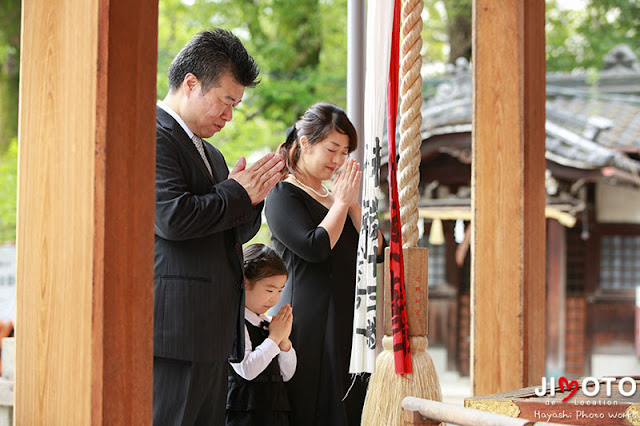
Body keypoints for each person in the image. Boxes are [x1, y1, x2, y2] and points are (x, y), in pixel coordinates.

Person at [154, 29, 285, 425]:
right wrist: (235, 193)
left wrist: (253, 198)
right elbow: (172, 218)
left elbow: (232, 235)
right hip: (175, 332)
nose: (229, 115)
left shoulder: (210, 151)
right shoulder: (154, 134)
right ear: (191, 83)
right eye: (226, 100)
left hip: (214, 334)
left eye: (237, 105)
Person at [265, 103, 385, 425]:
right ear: (304, 143)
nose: (339, 160)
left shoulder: (337, 197)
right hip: (308, 319)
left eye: (345, 152)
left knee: (349, 408)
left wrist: (351, 203)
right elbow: (315, 248)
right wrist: (341, 203)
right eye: (332, 149)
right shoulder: (282, 193)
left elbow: (377, 250)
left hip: (350, 318)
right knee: (314, 406)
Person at [226, 244, 296, 426]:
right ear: (245, 282)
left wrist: (284, 341)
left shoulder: (268, 323)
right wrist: (274, 338)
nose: (275, 298)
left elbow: (286, 374)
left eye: (280, 291)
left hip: (273, 410)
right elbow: (247, 370)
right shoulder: (235, 322)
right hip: (245, 413)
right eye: (269, 290)